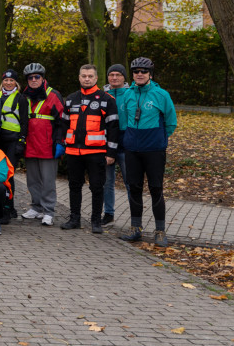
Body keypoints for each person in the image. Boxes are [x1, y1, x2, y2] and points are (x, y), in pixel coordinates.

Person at [117, 57, 177, 247]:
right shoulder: (128, 94)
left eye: (143, 71)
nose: (140, 74)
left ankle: (160, 231)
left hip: (154, 150)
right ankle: (136, 228)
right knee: (134, 188)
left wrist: (159, 139)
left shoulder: (161, 94)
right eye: (136, 71)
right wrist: (129, 140)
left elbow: (171, 122)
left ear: (150, 74)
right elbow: (124, 120)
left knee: (156, 188)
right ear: (132, 75)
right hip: (132, 150)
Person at [60, 64, 120, 234]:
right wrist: (64, 145)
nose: (87, 79)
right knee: (74, 186)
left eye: (90, 76)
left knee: (97, 187)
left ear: (96, 78)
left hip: (96, 152)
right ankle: (74, 219)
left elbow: (114, 128)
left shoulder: (107, 99)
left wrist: (111, 153)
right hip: (73, 152)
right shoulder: (71, 99)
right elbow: (64, 124)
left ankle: (96, 221)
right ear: (79, 77)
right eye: (84, 76)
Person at [20, 63, 66, 226]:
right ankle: (36, 207)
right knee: (32, 180)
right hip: (30, 144)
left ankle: (48, 211)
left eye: (37, 77)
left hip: (48, 145)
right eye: (30, 78)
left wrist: (60, 142)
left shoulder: (53, 95)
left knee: (48, 180)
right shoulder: (24, 95)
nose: (33, 80)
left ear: (43, 78)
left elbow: (62, 121)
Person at [0, 68, 28, 218]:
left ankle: (9, 207)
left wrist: (21, 141)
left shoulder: (20, 98)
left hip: (13, 140)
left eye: (11, 80)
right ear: (2, 82)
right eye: (6, 80)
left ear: (16, 82)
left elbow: (24, 122)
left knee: (8, 175)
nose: (8, 83)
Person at [102, 64, 129, 225]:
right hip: (106, 142)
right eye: (111, 75)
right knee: (107, 181)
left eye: (118, 75)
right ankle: (108, 213)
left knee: (130, 181)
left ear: (124, 77)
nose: (114, 78)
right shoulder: (102, 95)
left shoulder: (130, 94)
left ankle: (135, 214)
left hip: (126, 141)